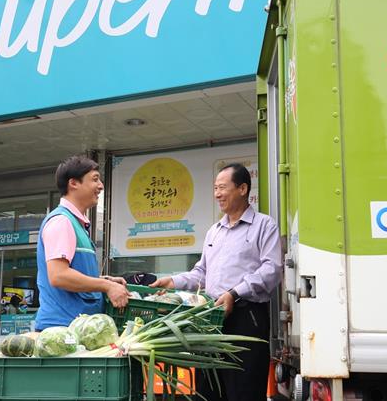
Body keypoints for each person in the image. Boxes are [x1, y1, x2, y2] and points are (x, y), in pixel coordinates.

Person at [151, 163, 280, 401]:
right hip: (210, 319)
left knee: (244, 389)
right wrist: (173, 281)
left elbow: (271, 270)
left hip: (246, 317)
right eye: (215, 188)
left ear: (242, 188)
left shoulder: (264, 225)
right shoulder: (214, 231)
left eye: (222, 187)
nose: (217, 194)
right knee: (208, 389)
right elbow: (202, 273)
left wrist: (234, 293)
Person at [35, 156, 129, 331]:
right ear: (74, 183)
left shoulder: (76, 223)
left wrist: (102, 280)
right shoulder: (61, 221)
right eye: (95, 179)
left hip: (76, 328)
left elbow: (70, 272)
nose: (100, 185)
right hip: (62, 330)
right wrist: (106, 286)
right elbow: (58, 275)